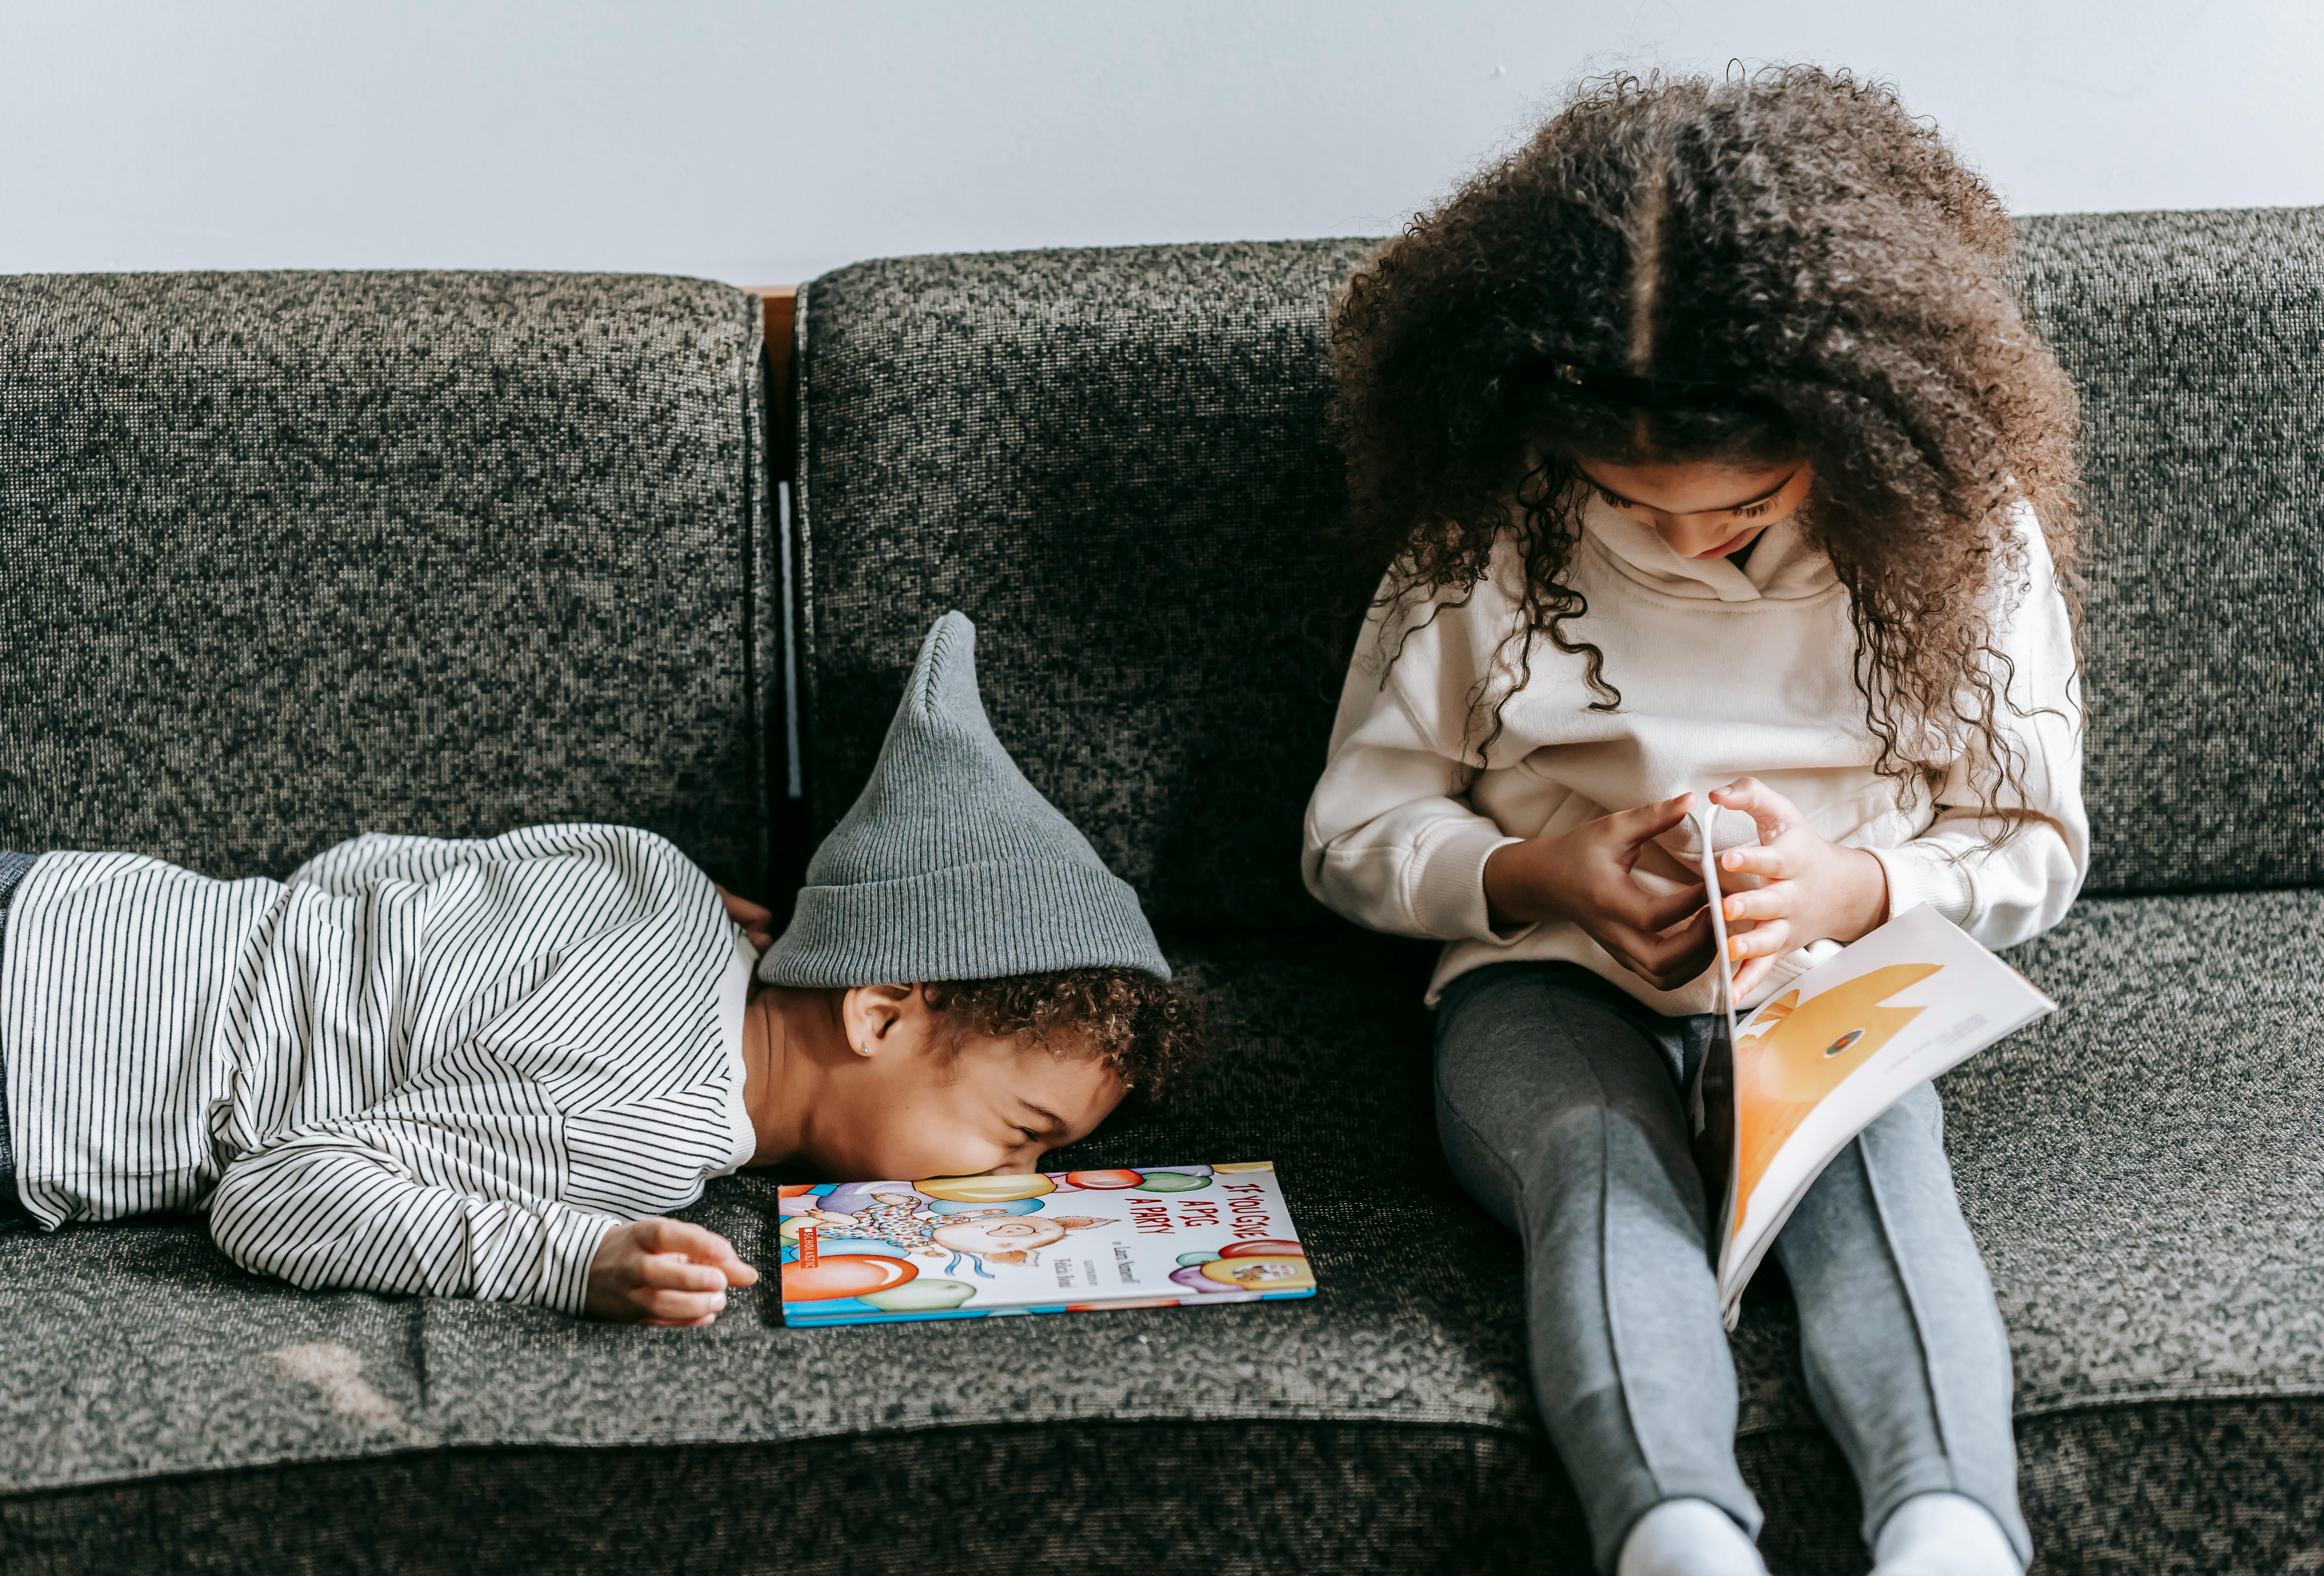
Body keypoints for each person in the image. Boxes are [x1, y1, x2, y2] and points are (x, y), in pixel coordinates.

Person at [1303, 69, 2085, 1576]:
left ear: (1858, 429)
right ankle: (1672, 1536)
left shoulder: (1964, 531)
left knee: (1876, 1163)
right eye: (1626, 499)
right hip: (1546, 978)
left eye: (1739, 500)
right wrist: (1541, 872)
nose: (1685, 537)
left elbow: (2035, 843)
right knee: (1598, 1171)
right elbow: (1354, 827)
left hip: (1840, 982)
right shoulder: (1485, 532)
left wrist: (1850, 886)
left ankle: (1949, 1533)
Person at [0, 611, 1203, 1327]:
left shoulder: (651, 872)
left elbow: (353, 873)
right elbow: (270, 1198)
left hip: (66, 900)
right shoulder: (654, 1117)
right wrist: (565, 1257)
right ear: (879, 1012)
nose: (1028, 1181)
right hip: (41, 1084)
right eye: (1022, 1134)